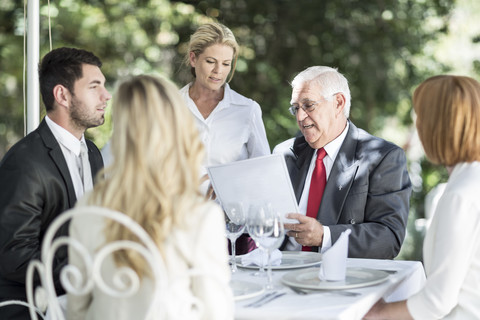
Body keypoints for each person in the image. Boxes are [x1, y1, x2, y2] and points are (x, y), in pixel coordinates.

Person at [67, 75, 233, 320]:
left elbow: (76, 309)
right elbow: (216, 313)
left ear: (121, 132)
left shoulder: (89, 207)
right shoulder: (199, 216)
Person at [0, 47, 110, 319]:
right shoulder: (25, 161)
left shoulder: (93, 152)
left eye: (104, 86)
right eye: (94, 86)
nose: (106, 96)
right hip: (33, 306)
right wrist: (85, 272)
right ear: (62, 95)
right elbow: (14, 256)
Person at [365, 75, 480, 319]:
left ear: (439, 125)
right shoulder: (469, 181)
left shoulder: (460, 195)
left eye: (421, 117)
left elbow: (438, 300)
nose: (418, 126)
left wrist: (376, 313)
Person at [274, 66, 411, 258]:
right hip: (282, 276)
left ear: (338, 103)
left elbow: (388, 239)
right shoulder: (284, 154)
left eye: (308, 105)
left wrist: (324, 236)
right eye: (295, 108)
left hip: (343, 279)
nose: (300, 117)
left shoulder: (383, 157)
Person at [180, 22, 270, 254]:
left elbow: (264, 173)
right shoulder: (169, 106)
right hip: (179, 226)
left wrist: (229, 186)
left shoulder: (247, 110)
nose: (218, 70)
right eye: (210, 61)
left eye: (226, 64)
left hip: (232, 231)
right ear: (193, 59)